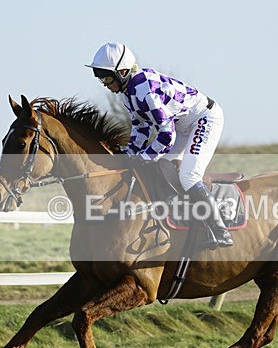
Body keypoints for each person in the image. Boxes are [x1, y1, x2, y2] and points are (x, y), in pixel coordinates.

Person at [86, 42, 233, 248]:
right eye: (101, 78)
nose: (105, 83)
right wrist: (128, 154)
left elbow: (166, 134)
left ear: (124, 72)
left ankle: (221, 231)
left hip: (204, 119)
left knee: (188, 176)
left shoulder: (145, 91)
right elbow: (141, 128)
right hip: (183, 125)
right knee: (164, 168)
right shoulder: (129, 92)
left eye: (108, 77)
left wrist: (144, 157)